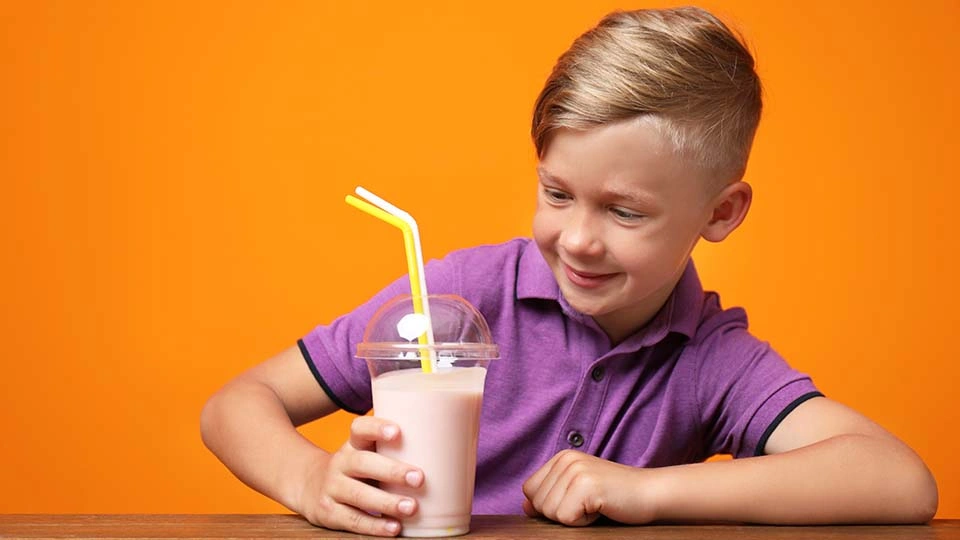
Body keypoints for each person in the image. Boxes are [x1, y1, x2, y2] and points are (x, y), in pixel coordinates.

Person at [200, 6, 938, 536]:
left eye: (624, 212)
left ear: (720, 213)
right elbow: (237, 403)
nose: (577, 240)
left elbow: (899, 481)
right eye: (557, 194)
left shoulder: (711, 359)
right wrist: (308, 481)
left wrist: (644, 492)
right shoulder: (459, 296)